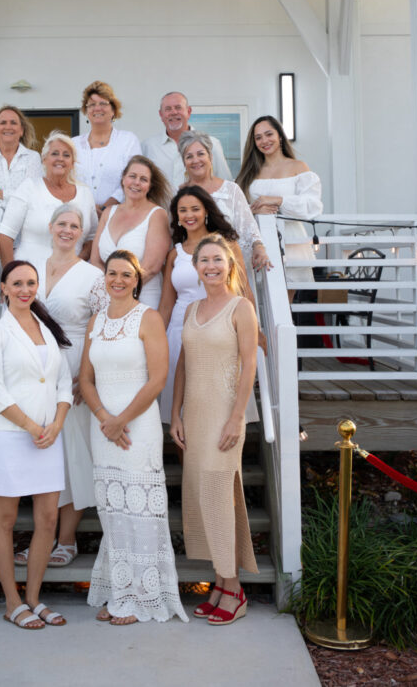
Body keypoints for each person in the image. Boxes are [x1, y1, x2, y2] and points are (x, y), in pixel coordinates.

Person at [79, 250, 188, 625]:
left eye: (127, 274)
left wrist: (121, 419)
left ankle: (144, 596)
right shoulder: (96, 320)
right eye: (112, 273)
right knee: (112, 509)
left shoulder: (149, 317)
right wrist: (104, 418)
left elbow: (158, 378)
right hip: (104, 426)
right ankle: (119, 589)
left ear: (136, 280)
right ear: (104, 277)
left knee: (140, 509)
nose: (119, 280)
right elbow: (85, 379)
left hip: (136, 426)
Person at [0, 260, 73, 630]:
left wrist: (58, 423)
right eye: (17, 283)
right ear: (3, 288)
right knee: (5, 519)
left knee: (48, 519)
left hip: (49, 437)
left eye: (31, 283)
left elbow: (63, 382)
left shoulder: (47, 329)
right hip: (12, 436)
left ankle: (33, 597)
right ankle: (11, 601)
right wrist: (34, 426)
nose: (25, 289)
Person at [170, 236, 259, 626]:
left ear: (229, 265)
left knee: (220, 495)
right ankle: (220, 585)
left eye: (217, 260)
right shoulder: (190, 309)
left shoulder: (241, 308)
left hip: (225, 415)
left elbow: (250, 365)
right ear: (196, 266)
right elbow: (183, 366)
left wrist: (237, 416)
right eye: (204, 260)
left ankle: (235, 589)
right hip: (196, 414)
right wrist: (175, 414)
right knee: (202, 498)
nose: (211, 266)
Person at [22, 206, 103, 567]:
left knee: (73, 454)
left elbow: (100, 328)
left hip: (73, 368)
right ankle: (43, 537)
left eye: (75, 226)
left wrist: (87, 377)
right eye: (63, 224)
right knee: (41, 452)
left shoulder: (92, 275)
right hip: (35, 368)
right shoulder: (31, 267)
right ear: (50, 226)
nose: (68, 230)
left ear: (82, 234)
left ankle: (66, 540)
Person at [157, 185, 252, 423]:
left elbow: (243, 290)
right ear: (177, 217)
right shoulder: (174, 254)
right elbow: (167, 305)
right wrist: (155, 340)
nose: (189, 215)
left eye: (195, 209)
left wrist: (254, 331)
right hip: (181, 331)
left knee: (218, 402)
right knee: (181, 408)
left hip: (221, 331)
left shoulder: (227, 247)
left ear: (206, 211)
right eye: (183, 210)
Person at [237, 116, 323, 299]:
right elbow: (238, 209)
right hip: (257, 241)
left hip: (290, 242)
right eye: (258, 137)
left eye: (269, 134)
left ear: (280, 136)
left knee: (284, 301)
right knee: (255, 300)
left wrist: (277, 200)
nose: (264, 141)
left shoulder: (298, 167)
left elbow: (312, 206)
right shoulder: (249, 172)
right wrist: (254, 210)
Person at [0, 131, 97, 267]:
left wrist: (76, 264)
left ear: (72, 163)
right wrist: (10, 275)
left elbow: (92, 238)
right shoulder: (29, 188)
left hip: (71, 277)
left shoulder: (85, 194)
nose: (60, 158)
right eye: (55, 153)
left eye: (66, 155)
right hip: (31, 278)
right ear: (44, 159)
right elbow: (5, 235)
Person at [178, 131, 271, 273]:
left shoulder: (231, 190)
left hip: (231, 267)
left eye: (200, 154)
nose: (195, 160)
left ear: (211, 156)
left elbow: (248, 227)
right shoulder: (179, 194)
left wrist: (258, 246)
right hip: (192, 269)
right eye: (189, 156)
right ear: (184, 162)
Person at [90, 155, 171, 310]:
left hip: (143, 297)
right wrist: (111, 290)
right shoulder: (109, 212)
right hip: (108, 298)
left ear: (150, 186)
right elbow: (95, 260)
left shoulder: (157, 214)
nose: (136, 183)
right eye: (132, 176)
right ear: (123, 179)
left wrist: (122, 290)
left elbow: (152, 267)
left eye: (143, 179)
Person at [72, 80, 142, 216]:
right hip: (80, 217)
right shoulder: (73, 145)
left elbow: (134, 179)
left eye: (103, 103)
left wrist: (105, 208)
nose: (97, 108)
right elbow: (67, 181)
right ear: (86, 111)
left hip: (119, 216)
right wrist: (89, 210)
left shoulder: (128, 140)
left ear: (113, 110)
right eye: (92, 104)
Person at [142, 90, 232, 193]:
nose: (173, 112)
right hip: (162, 209)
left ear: (188, 111)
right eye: (168, 109)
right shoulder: (148, 146)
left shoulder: (212, 144)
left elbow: (225, 184)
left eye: (178, 107)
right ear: (161, 115)